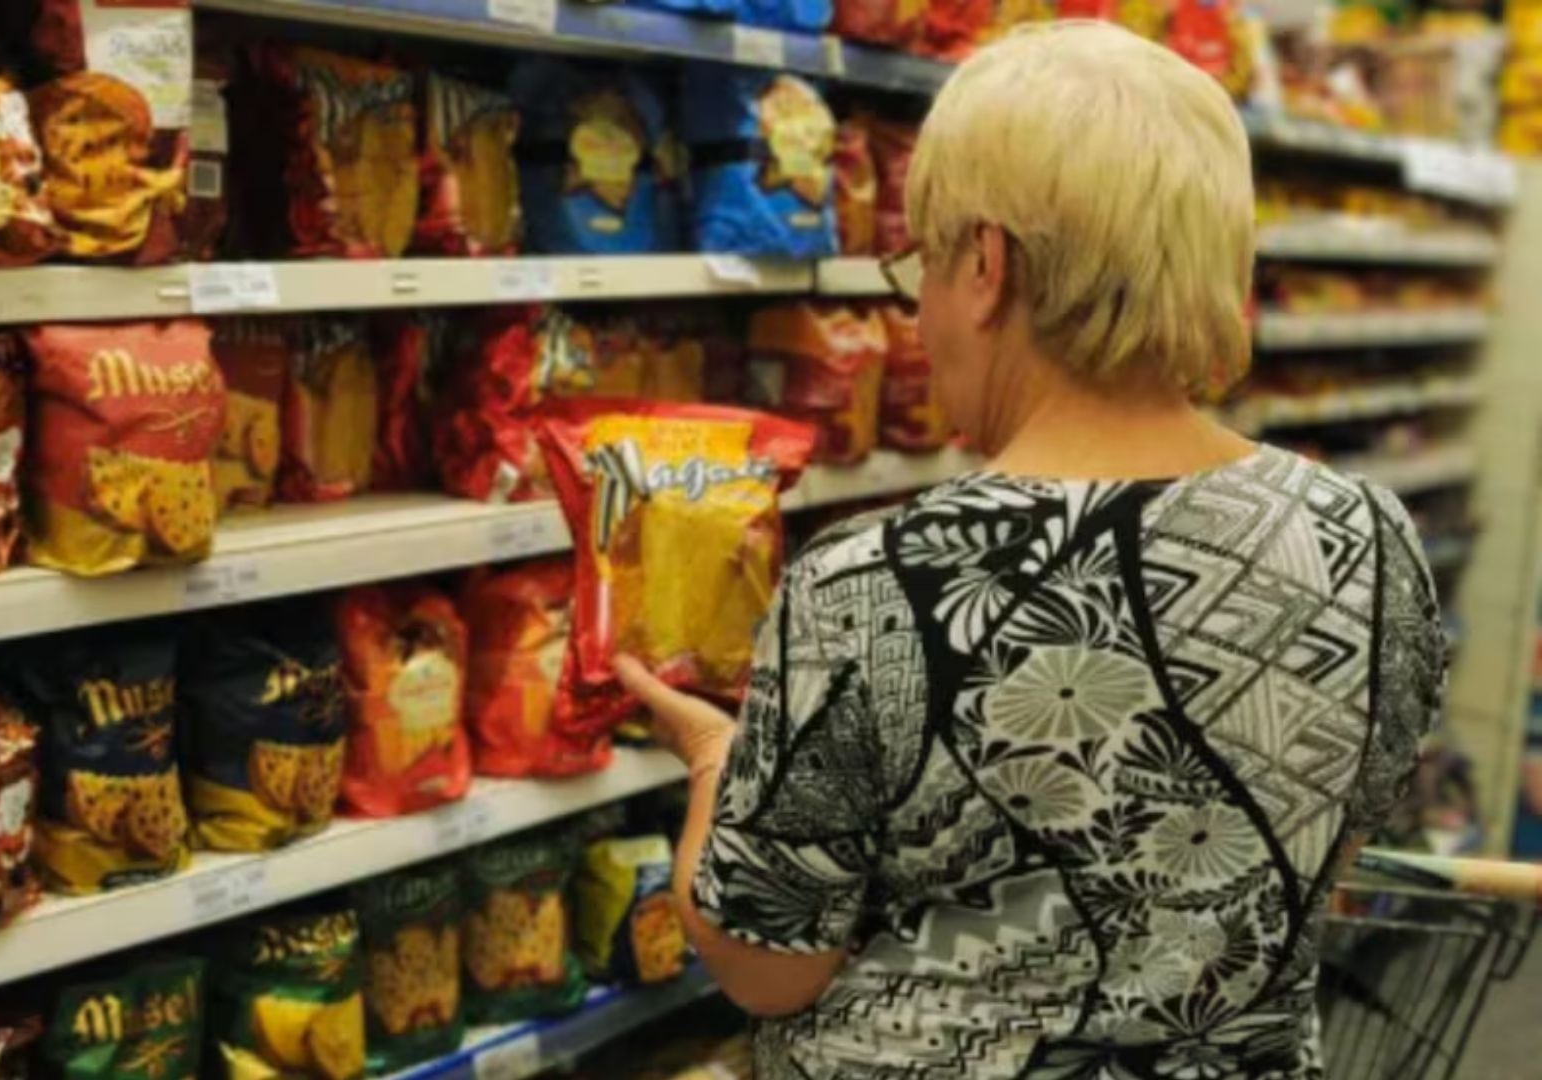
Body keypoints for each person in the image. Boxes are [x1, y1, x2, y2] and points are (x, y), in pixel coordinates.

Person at [618, 20, 1445, 1079]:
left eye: (920, 261)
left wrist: (716, 764)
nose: (917, 312)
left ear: (985, 264)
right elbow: (1317, 854)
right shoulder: (1369, 542)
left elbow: (768, 969)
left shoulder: (874, 586)